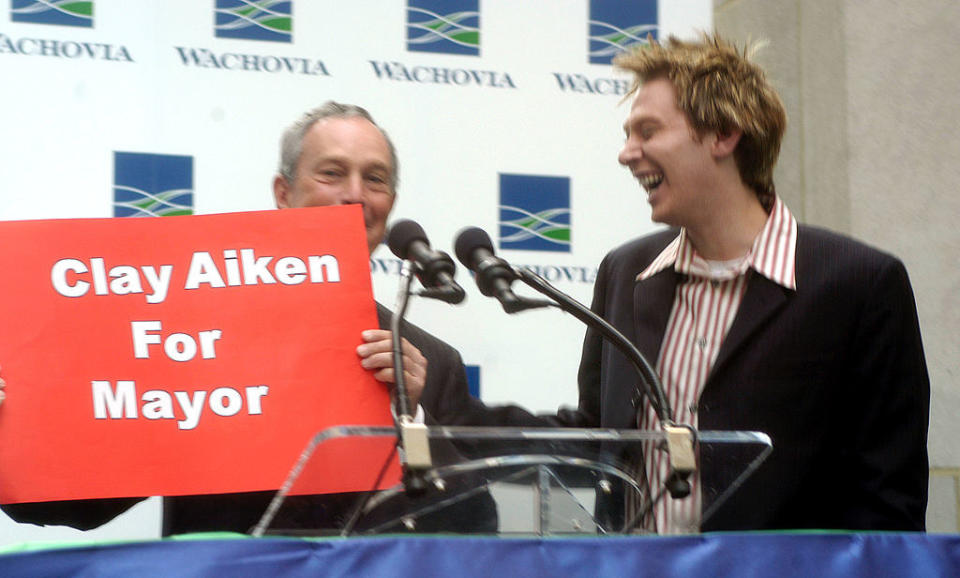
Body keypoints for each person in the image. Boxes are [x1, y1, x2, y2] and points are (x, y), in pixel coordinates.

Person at [457, 34, 930, 534]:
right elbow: (595, 440)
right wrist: (447, 398)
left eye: (647, 131)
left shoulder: (858, 285)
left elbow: (887, 508)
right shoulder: (625, 272)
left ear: (724, 134)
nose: (626, 153)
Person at [0, 102, 494, 535]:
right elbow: (75, 505)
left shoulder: (433, 362)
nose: (355, 194)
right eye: (331, 172)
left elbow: (474, 521)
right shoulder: (194, 339)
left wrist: (413, 422)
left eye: (375, 178)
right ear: (283, 194)